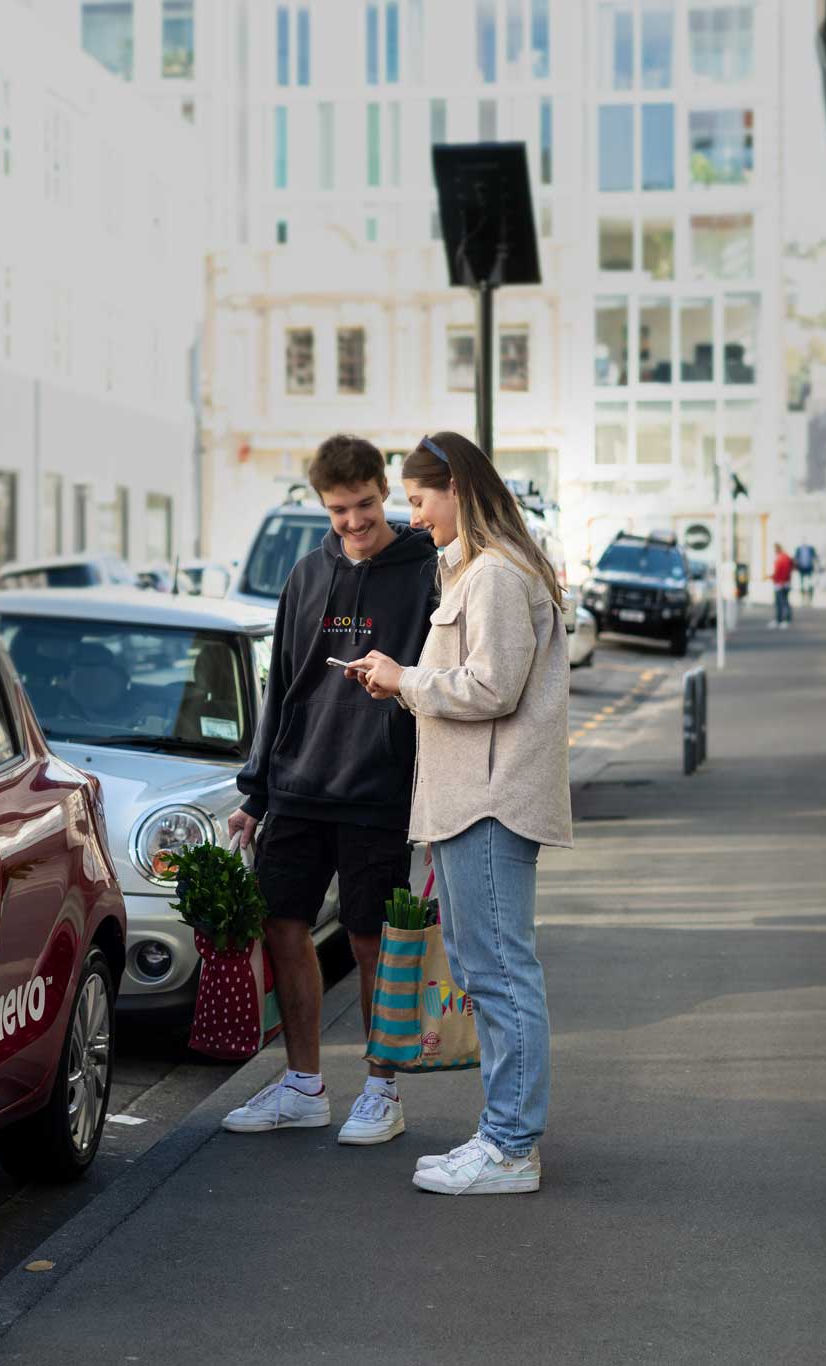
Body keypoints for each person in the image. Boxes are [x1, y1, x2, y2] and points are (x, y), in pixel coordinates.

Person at [349, 430, 568, 1196]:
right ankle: (503, 1136)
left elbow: (492, 686)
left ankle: (510, 1146)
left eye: (419, 500)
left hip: (488, 802)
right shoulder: (478, 572)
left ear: (458, 492)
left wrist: (406, 680)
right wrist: (406, 682)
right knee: (491, 971)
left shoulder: (497, 577)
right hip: (472, 801)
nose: (414, 517)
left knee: (500, 975)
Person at [223, 434, 439, 1146]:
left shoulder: (424, 570)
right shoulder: (305, 575)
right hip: (297, 784)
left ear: (385, 491)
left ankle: (382, 1090)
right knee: (282, 925)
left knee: (371, 939)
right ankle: (303, 1086)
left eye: (366, 505)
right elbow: (279, 686)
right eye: (340, 510)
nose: (354, 522)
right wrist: (255, 794)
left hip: (377, 786)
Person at [769, 544, 795, 629]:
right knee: (780, 602)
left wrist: (781, 580)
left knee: (783, 602)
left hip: (781, 583)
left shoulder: (782, 558)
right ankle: (779, 620)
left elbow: (783, 571)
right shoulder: (784, 557)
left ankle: (786, 620)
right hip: (781, 583)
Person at [793, 540, 819, 605]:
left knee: (810, 583)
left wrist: (816, 565)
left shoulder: (811, 549)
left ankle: (810, 597)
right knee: (802, 584)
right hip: (801, 568)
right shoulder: (799, 549)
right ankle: (803, 597)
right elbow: (795, 557)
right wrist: (796, 565)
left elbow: (815, 557)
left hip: (809, 568)